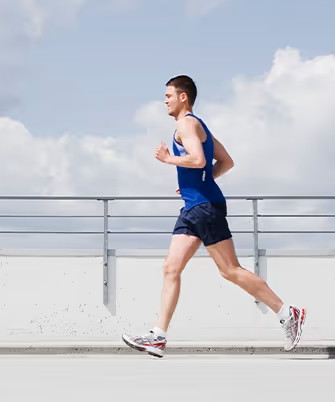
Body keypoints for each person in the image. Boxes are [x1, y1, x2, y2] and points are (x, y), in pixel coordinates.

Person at [122, 75, 305, 358]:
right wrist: (196, 182)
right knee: (171, 268)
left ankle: (287, 313)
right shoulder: (197, 125)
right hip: (193, 206)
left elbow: (199, 160)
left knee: (230, 270)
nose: (165, 100)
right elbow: (226, 162)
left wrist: (169, 159)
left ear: (184, 97)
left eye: (169, 95)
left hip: (206, 207)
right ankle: (158, 336)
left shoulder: (187, 123)